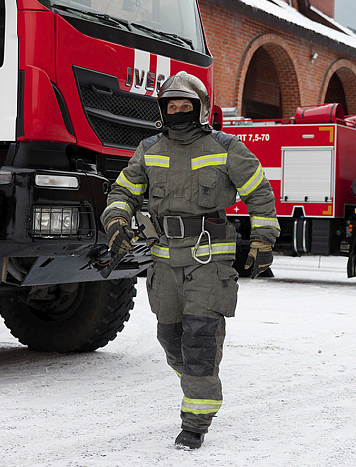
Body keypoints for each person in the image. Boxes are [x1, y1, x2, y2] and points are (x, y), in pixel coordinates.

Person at [101, 71, 279, 450]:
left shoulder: (227, 147)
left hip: (209, 260)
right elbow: (123, 190)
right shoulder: (149, 149)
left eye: (186, 105)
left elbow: (259, 194)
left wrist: (264, 237)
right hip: (164, 260)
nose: (178, 110)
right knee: (171, 338)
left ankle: (195, 421)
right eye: (171, 105)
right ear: (163, 110)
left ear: (200, 109)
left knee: (199, 339)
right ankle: (202, 381)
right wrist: (116, 218)